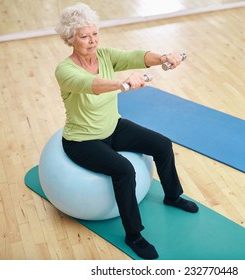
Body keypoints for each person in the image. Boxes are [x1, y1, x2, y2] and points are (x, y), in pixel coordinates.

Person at [54, 3, 198, 260]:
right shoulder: (65, 70)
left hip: (113, 126)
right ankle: (134, 235)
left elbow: (137, 56)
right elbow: (92, 85)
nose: (92, 41)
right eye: (84, 36)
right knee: (124, 169)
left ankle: (173, 196)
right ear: (70, 39)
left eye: (94, 34)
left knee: (162, 144)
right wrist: (122, 83)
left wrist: (164, 58)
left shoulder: (106, 55)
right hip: (82, 140)